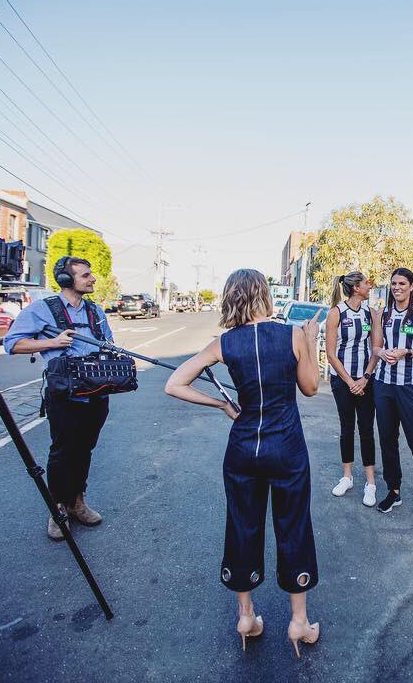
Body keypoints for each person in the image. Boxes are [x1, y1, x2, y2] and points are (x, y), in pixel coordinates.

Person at [164, 269, 322, 657]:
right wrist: (311, 343)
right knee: (293, 526)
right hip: (286, 448)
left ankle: (246, 616)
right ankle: (299, 623)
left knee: (242, 526)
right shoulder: (292, 335)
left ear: (231, 298)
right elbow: (311, 387)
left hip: (243, 451)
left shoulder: (224, 343)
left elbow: (174, 384)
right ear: (265, 295)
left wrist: (222, 403)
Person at [3, 256, 113, 541]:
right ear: (67, 280)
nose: (92, 279)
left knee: (85, 449)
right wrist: (52, 342)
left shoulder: (96, 311)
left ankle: (78, 502)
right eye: (86, 275)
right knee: (63, 451)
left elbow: (110, 345)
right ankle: (58, 508)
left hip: (96, 394)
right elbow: (12, 343)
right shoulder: (42, 309)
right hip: (64, 395)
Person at [370, 267, 413, 527]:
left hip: (410, 387)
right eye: (393, 284)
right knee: (388, 442)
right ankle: (394, 491)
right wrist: (382, 353)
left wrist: (406, 352)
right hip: (384, 386)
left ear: (411, 286)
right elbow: (376, 346)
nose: (397, 288)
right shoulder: (383, 314)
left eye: (402, 283)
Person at [323, 271, 378, 506]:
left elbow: (376, 349)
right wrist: (349, 382)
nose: (370, 286)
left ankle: (371, 483)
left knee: (366, 429)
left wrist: (364, 378)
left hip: (366, 380)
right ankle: (347, 477)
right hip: (343, 381)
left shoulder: (371, 314)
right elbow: (331, 354)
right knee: (347, 428)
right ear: (356, 287)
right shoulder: (335, 314)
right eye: (366, 283)